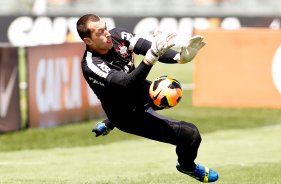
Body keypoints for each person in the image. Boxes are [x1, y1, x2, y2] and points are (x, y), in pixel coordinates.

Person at [76, 14, 218, 183]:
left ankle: (108, 122)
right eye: (100, 32)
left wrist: (178, 58)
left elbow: (149, 47)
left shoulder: (117, 35)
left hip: (139, 91)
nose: (107, 33)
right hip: (128, 114)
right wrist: (152, 56)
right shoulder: (91, 65)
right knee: (191, 135)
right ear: (88, 41)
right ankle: (187, 166)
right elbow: (126, 84)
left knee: (171, 88)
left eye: (105, 27)